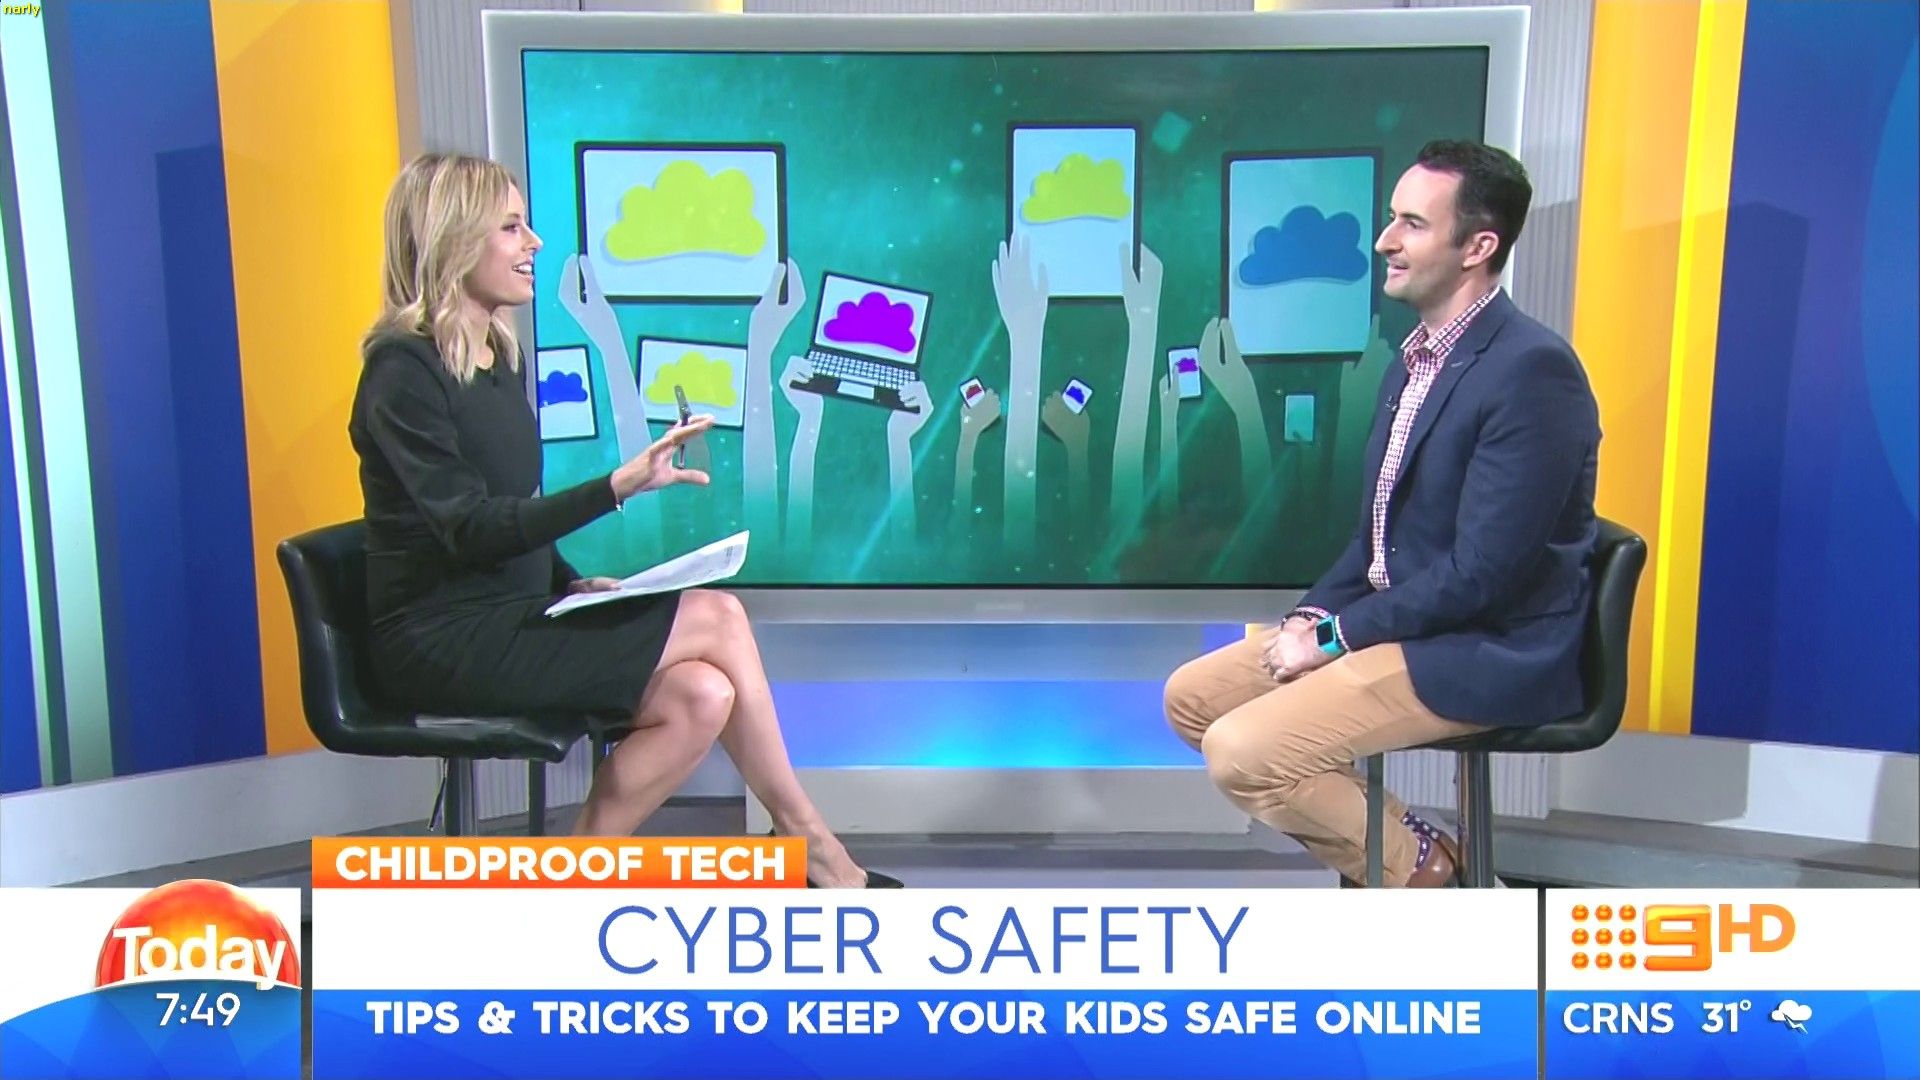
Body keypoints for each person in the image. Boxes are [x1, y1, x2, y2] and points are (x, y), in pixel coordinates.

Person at [348, 153, 901, 888]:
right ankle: (812, 842)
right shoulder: (401, 373)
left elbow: (507, 509)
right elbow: (467, 527)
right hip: (439, 639)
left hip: (514, 613)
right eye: (511, 227)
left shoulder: (497, 356)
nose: (534, 242)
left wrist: (571, 583)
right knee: (719, 615)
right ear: (453, 239)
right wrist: (616, 487)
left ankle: (573, 882)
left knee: (703, 695)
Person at [1163, 140, 1600, 887]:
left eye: (1412, 224)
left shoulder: (1532, 371)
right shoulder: (1414, 359)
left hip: (1485, 646)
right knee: (1193, 700)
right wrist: (1311, 617)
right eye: (1391, 218)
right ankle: (1416, 850)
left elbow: (1483, 574)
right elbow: (1377, 539)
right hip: (1408, 623)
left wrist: (1337, 637)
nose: (1384, 241)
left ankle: (1425, 878)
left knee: (1242, 752)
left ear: (1478, 247)